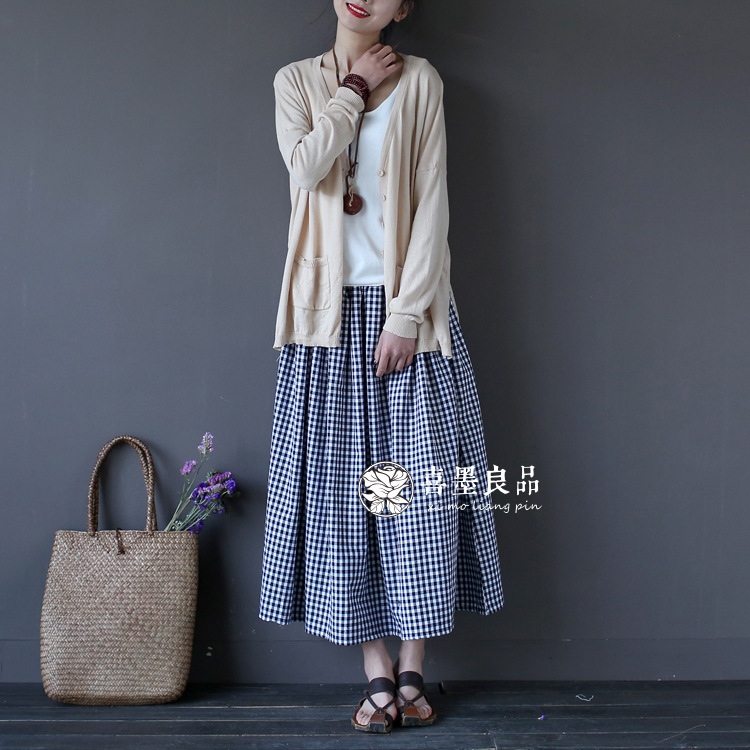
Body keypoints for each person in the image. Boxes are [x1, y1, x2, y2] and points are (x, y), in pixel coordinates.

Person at [259, 0, 505, 734]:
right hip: (325, 318)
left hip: (409, 312)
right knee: (342, 501)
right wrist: (354, 89)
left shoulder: (424, 81)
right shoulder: (296, 81)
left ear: (405, 8)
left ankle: (412, 667)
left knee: (418, 498)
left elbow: (433, 204)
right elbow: (306, 167)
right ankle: (374, 671)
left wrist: (405, 315)